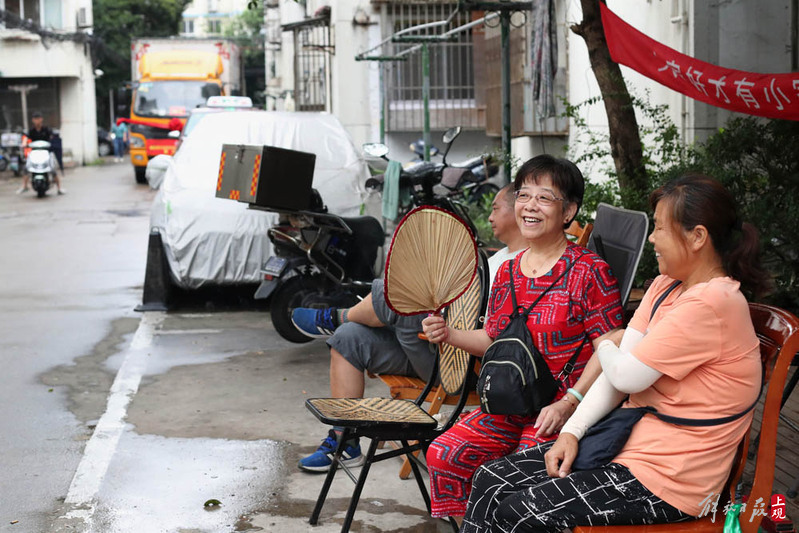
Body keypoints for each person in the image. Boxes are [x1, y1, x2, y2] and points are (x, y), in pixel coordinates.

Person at [460, 174, 770, 533]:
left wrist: (604, 340)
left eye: (659, 228)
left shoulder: (713, 302)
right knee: (491, 479)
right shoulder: (665, 286)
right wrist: (572, 432)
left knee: (520, 512)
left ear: (697, 237)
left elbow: (625, 372)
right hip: (621, 448)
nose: (652, 239)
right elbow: (616, 374)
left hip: (671, 480)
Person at [420, 155, 623, 521]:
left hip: (559, 413)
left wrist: (570, 403)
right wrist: (449, 334)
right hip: (508, 404)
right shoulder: (509, 269)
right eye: (523, 195)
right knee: (443, 452)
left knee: (518, 474)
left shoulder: (590, 271)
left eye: (544, 198)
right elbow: (496, 339)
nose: (530, 206)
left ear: (568, 211)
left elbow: (611, 346)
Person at [291, 185, 528, 472]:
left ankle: (336, 317)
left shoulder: (524, 265)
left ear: (518, 211)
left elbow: (494, 331)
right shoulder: (496, 256)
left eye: (495, 207)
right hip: (433, 345)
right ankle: (345, 442)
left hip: (462, 364)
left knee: (398, 296)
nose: (490, 216)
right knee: (349, 338)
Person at [17, 111, 66, 195]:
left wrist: (53, 141)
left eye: (38, 119)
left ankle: (59, 188)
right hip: (35, 153)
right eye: (35, 119)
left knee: (52, 168)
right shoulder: (31, 131)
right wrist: (24, 143)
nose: (37, 121)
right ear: (33, 120)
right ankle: (24, 186)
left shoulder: (46, 129)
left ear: (41, 119)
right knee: (26, 168)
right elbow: (26, 137)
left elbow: (53, 137)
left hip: (46, 152)